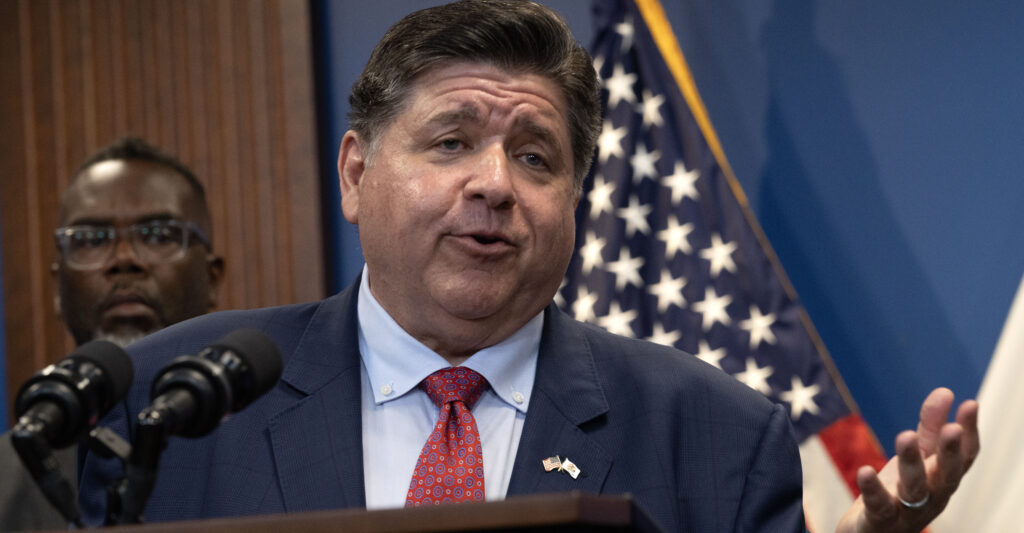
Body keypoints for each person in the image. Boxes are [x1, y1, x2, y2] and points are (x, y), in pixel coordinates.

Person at [77, 2, 979, 532]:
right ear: (356, 173)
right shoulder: (171, 407)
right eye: (452, 141)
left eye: (538, 158)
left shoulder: (719, 439)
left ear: (576, 204)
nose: (495, 185)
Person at [0, 136, 224, 531]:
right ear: (57, 290)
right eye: (91, 239)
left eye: (157, 235)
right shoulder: (7, 479)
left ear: (211, 279)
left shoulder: (277, 448)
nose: (124, 260)